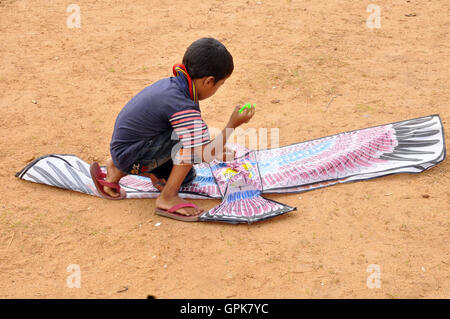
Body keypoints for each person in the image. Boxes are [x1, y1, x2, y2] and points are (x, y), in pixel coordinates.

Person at [90, 37, 255, 221]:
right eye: (220, 84)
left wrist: (212, 148)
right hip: (131, 153)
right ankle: (167, 197)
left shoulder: (176, 86)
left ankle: (117, 169)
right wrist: (232, 125)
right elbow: (201, 152)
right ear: (209, 81)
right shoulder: (181, 103)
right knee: (191, 145)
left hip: (128, 149)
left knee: (186, 176)